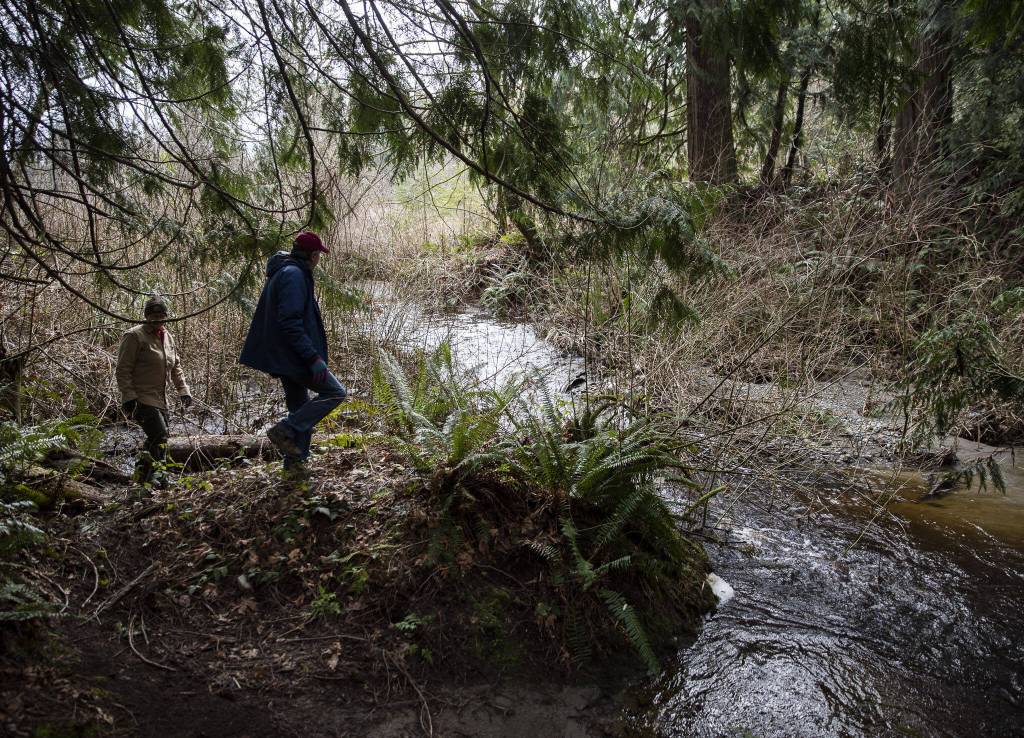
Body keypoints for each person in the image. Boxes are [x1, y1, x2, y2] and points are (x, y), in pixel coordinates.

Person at [239, 231, 347, 473]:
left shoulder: (287, 271)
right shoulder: (294, 275)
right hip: (293, 357)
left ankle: (295, 466)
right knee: (335, 393)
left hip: (285, 356)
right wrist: (313, 358)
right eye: (319, 253)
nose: (319, 258)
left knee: (300, 407)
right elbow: (290, 322)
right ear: (311, 255)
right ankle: (285, 429)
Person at [115, 295, 192, 486]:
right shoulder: (134, 336)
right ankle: (160, 477)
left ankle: (142, 477)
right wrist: (129, 397)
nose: (158, 318)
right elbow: (122, 370)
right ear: (146, 316)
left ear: (166, 315)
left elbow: (176, 366)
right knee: (160, 436)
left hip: (160, 398)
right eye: (154, 314)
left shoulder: (167, 336)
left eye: (161, 314)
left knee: (157, 438)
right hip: (141, 399)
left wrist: (184, 390)